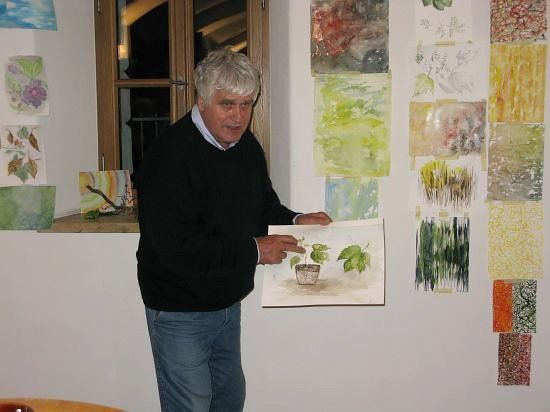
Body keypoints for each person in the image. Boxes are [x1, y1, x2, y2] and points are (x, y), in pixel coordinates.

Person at [135, 48, 331, 412]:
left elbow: (263, 208)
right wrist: (254, 251)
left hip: (226, 302)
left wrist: (296, 220)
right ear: (202, 101)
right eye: (227, 104)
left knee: (228, 400)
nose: (238, 117)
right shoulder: (169, 156)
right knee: (191, 406)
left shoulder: (246, 147)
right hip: (179, 308)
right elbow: (175, 248)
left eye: (246, 105)